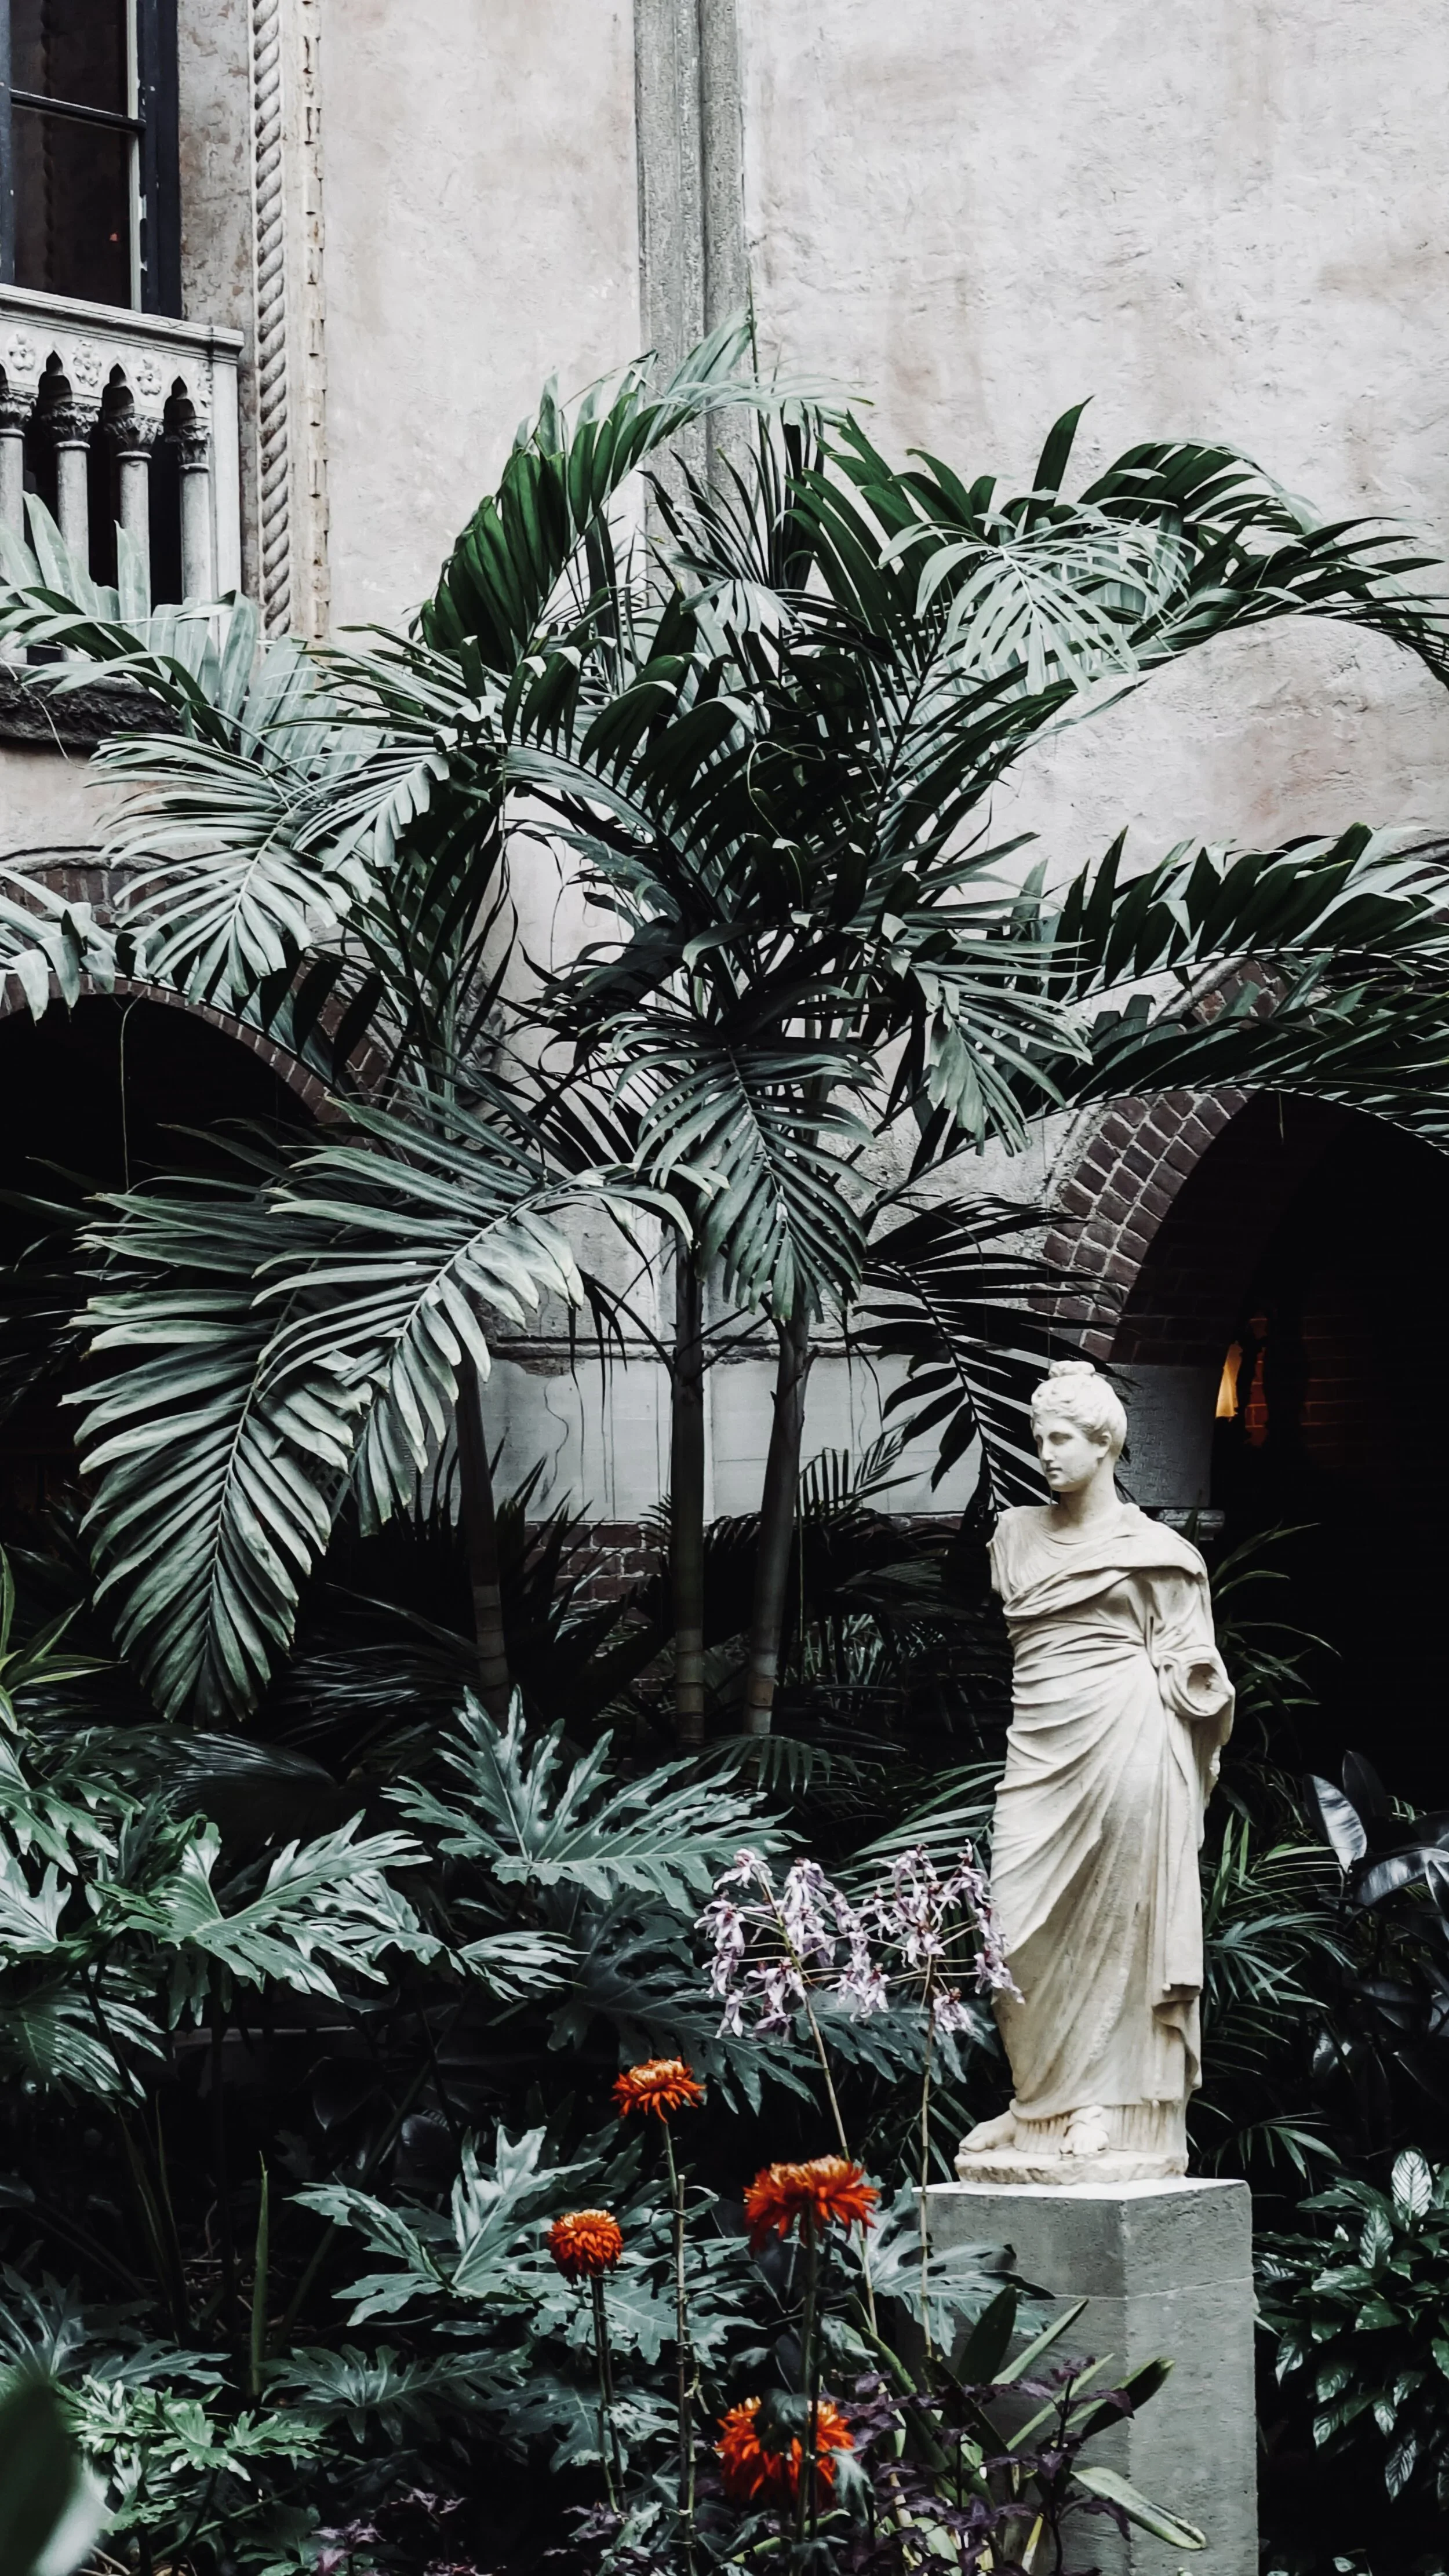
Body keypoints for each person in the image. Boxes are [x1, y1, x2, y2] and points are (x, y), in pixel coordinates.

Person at [958, 1359, 1233, 2180]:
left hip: (1128, 1746)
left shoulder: (1159, 1553)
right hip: (1039, 1751)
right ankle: (1036, 2101)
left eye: (1062, 1438)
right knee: (1016, 1930)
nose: (1046, 1453)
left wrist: (1199, 1682)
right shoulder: (1014, 1537)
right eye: (1039, 1438)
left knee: (1120, 1928)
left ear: (1105, 1442)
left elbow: (1192, 1661)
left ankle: (1103, 2109)